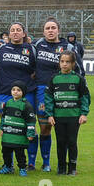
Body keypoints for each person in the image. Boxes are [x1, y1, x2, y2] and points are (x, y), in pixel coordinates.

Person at [30, 19, 69, 170]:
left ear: (58, 30)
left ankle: (55, 162)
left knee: (58, 127)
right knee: (40, 127)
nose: (50, 30)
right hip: (41, 90)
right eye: (47, 28)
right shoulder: (37, 45)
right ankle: (34, 162)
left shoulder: (67, 47)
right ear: (43, 31)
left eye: (53, 28)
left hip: (61, 91)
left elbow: (77, 69)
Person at [43, 50, 90, 176]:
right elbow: (48, 98)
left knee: (72, 141)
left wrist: (84, 113)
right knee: (60, 142)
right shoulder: (54, 79)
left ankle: (72, 168)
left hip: (73, 116)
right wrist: (50, 114)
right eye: (62, 61)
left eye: (67, 62)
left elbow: (85, 96)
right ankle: (62, 167)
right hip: (58, 116)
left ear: (73, 64)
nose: (64, 64)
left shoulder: (78, 79)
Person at [0, 83, 34, 176]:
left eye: (18, 90)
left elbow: (31, 121)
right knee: (5, 151)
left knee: (19, 153)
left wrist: (30, 133)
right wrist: (2, 128)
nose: (15, 92)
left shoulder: (26, 105)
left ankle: (22, 168)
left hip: (19, 136)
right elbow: (3, 117)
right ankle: (8, 167)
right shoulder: (8, 103)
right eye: (13, 89)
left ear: (23, 92)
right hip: (8, 135)